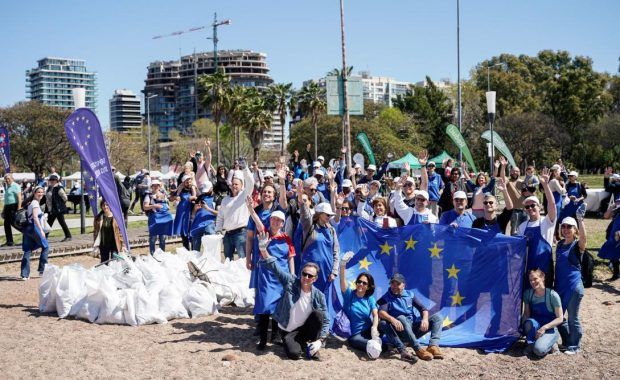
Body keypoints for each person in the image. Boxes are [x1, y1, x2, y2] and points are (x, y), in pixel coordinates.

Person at [256, 232, 330, 360]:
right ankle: (298, 344)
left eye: (310, 276)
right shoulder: (291, 282)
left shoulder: (319, 295)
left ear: (315, 278)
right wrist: (263, 250)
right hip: (289, 330)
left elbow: (326, 320)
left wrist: (320, 341)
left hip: (304, 329)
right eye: (304, 274)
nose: (306, 277)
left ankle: (314, 346)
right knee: (294, 355)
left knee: (318, 315)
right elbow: (276, 268)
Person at [248, 211, 295, 350]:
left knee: (278, 307)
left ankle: (275, 336)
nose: (275, 222)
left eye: (278, 220)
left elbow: (291, 257)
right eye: (273, 219)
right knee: (264, 306)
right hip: (266, 276)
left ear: (282, 223)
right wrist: (250, 208)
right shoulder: (264, 233)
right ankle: (262, 339)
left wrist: (292, 275)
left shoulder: (287, 238)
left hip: (282, 276)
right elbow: (257, 221)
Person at [378, 273, 444, 361]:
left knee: (437, 317)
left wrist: (424, 319)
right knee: (401, 317)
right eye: (392, 284)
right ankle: (418, 349)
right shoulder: (386, 298)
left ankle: (433, 346)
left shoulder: (410, 295)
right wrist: (392, 319)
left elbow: (423, 309)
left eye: (398, 284)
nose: (394, 286)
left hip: (412, 328)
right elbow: (381, 312)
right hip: (399, 330)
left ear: (404, 285)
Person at [517, 168, 557, 288]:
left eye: (533, 205)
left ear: (539, 207)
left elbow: (552, 204)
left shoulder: (547, 221)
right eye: (527, 207)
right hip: (529, 269)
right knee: (530, 299)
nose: (530, 208)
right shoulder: (522, 226)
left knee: (544, 299)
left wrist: (545, 185)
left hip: (545, 267)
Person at [297, 181, 340, 293]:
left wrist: (334, 271)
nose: (330, 217)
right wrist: (300, 197)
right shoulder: (309, 225)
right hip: (308, 272)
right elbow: (304, 212)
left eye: (331, 215)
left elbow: (336, 252)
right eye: (327, 214)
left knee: (322, 301)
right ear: (319, 213)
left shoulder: (331, 230)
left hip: (326, 272)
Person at [555, 216, 586, 354]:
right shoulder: (560, 245)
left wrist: (580, 220)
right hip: (560, 287)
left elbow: (584, 240)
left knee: (573, 318)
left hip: (574, 287)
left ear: (575, 230)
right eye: (564, 226)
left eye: (569, 227)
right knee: (558, 317)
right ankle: (567, 341)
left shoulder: (577, 246)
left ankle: (575, 346)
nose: (566, 229)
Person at [339, 252, 380, 354]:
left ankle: (399, 343)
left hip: (369, 331)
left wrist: (374, 328)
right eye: (359, 281)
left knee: (384, 325)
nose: (361, 284)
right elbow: (342, 282)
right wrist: (343, 265)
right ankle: (376, 344)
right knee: (371, 346)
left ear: (369, 287)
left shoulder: (369, 298)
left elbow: (375, 314)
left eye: (364, 283)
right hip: (355, 335)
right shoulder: (349, 295)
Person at [522, 269, 564, 358]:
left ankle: (553, 342)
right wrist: (522, 328)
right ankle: (534, 342)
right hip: (535, 326)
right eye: (530, 280)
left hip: (549, 328)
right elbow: (526, 315)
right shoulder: (528, 294)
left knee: (539, 351)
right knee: (528, 323)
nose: (532, 282)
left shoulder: (552, 295)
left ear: (542, 278)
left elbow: (560, 318)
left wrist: (544, 328)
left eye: (535, 279)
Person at [215, 167, 254, 260]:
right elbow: (220, 217)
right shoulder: (225, 200)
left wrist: (245, 169)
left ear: (241, 186)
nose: (234, 186)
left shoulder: (244, 195)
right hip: (227, 235)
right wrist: (217, 229)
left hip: (241, 234)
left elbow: (251, 183)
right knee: (228, 261)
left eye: (236, 184)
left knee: (243, 260)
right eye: (232, 184)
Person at [20, 186, 49, 280]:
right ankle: (42, 270)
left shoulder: (31, 203)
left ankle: (25, 274)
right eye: (38, 192)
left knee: (27, 250)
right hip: (34, 228)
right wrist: (41, 230)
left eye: (42, 192)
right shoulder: (35, 203)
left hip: (27, 229)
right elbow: (35, 218)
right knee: (45, 246)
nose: (40, 194)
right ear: (34, 193)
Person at [143, 180, 173, 255]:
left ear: (160, 186)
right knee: (153, 238)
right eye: (154, 185)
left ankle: (161, 255)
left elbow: (168, 204)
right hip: (154, 218)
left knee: (162, 238)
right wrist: (154, 206)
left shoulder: (163, 194)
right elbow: (145, 207)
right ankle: (152, 255)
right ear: (151, 186)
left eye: (157, 185)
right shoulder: (148, 195)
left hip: (163, 218)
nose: (156, 187)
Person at [189, 181, 218, 252]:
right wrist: (195, 209)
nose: (205, 192)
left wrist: (207, 208)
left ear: (211, 188)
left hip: (209, 224)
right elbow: (193, 212)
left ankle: (210, 261)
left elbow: (219, 213)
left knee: (211, 247)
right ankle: (195, 261)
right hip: (198, 224)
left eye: (207, 190)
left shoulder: (216, 198)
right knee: (195, 249)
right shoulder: (200, 197)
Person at [172, 174, 197, 250]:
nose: (189, 183)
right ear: (183, 182)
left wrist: (193, 197)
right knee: (183, 233)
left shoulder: (193, 188)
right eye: (187, 182)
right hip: (182, 213)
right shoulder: (180, 189)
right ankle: (186, 250)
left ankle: (194, 250)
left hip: (190, 212)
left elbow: (198, 197)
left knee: (191, 231)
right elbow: (171, 198)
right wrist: (176, 197)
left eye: (190, 182)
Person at [45, 174, 71, 242]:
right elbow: (47, 199)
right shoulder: (49, 188)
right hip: (51, 209)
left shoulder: (59, 188)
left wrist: (60, 204)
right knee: (48, 223)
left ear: (56, 181)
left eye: (54, 180)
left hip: (58, 209)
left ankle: (68, 236)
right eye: (51, 180)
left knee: (62, 222)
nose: (52, 181)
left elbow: (65, 198)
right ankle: (44, 237)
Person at [600, 197, 620, 281]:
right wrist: (612, 207)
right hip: (614, 234)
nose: (618, 203)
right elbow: (606, 216)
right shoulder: (616, 210)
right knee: (613, 252)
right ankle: (616, 274)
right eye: (617, 201)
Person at [2, 174, 22, 246]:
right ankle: (9, 241)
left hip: (13, 206)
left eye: (8, 178)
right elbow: (7, 200)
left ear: (12, 179)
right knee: (6, 224)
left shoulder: (15, 186)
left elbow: (19, 198)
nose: (7, 180)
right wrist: (4, 210)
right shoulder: (8, 187)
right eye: (6, 179)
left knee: (15, 223)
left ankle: (28, 235)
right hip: (7, 207)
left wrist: (19, 208)